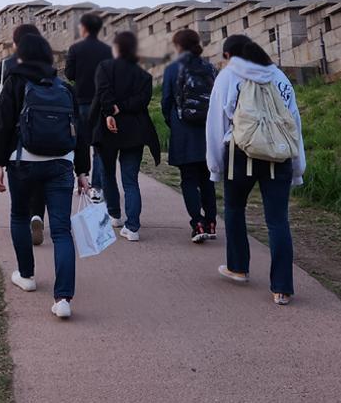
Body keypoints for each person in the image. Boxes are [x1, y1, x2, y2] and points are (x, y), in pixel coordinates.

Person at [0, 33, 89, 321]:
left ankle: (27, 275)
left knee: (20, 216)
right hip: (61, 165)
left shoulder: (15, 83)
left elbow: (2, 125)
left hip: (24, 162)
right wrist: (82, 170)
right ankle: (63, 298)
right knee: (60, 231)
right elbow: (78, 133)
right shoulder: (64, 88)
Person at [207, 35, 305, 306]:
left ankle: (238, 267)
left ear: (230, 55)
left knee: (235, 209)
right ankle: (282, 288)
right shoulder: (280, 78)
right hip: (278, 154)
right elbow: (293, 122)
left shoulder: (228, 78)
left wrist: (214, 166)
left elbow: (216, 123)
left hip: (240, 153)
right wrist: (298, 168)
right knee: (277, 220)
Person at [91, 32, 161, 242]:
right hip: (135, 131)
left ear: (116, 48)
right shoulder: (144, 76)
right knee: (131, 181)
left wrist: (110, 113)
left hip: (108, 129)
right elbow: (142, 101)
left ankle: (114, 214)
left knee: (108, 174)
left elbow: (103, 93)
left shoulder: (104, 67)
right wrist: (120, 108)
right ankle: (133, 228)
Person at [0, 24, 48, 245]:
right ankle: (37, 215)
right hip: (44, 136)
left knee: (20, 191)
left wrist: (3, 118)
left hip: (16, 140)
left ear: (15, 43)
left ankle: (25, 267)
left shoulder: (6, 65)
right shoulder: (47, 67)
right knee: (40, 181)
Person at [161, 29, 218, 243]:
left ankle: (198, 223)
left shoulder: (173, 69)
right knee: (207, 179)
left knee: (188, 179)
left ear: (178, 46)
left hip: (184, 130)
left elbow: (166, 101)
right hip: (208, 131)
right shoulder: (210, 68)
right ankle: (211, 222)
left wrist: (173, 122)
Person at [65, 13, 113, 204]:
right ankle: (97, 187)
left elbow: (69, 74)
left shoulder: (75, 48)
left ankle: (81, 178)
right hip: (100, 102)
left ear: (83, 28)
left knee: (80, 143)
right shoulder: (107, 50)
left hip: (81, 101)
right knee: (99, 147)